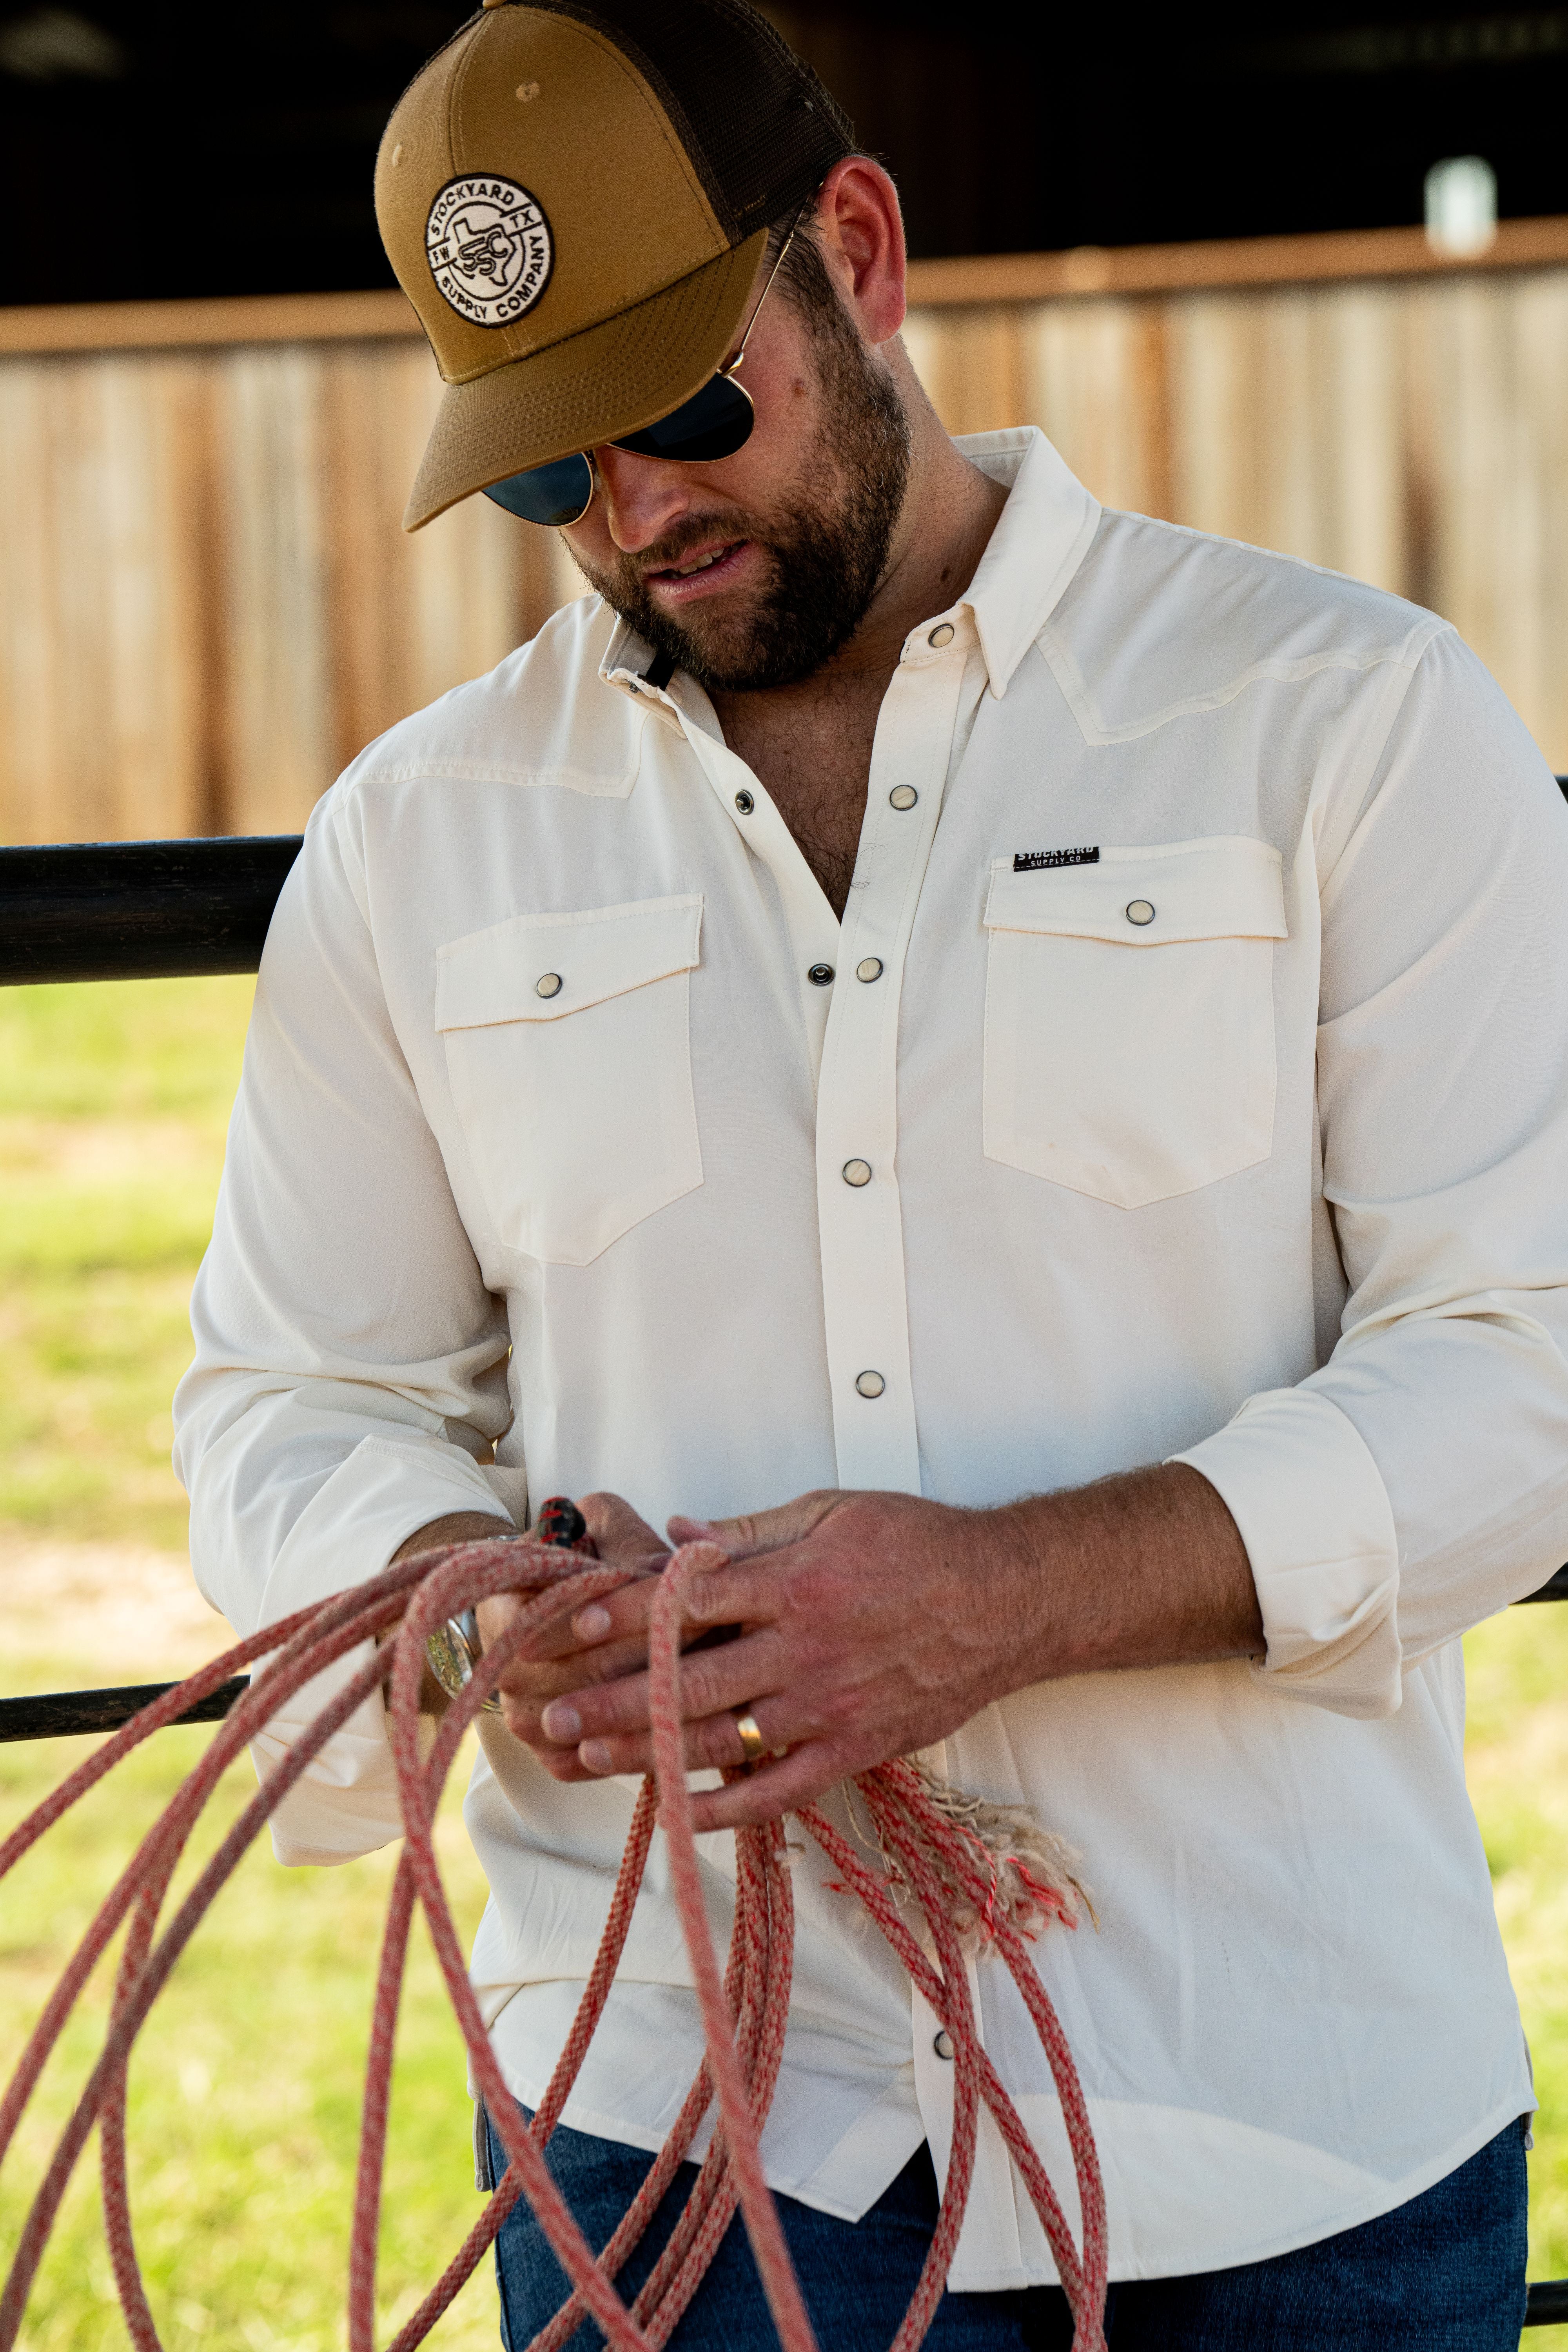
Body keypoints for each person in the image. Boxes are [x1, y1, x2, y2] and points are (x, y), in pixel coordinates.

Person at [173, 1, 1568, 2343]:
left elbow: (1531, 1364)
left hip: (1280, 2123)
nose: (637, 512)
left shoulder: (1346, 716)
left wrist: (1007, 1597)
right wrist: (448, 1584)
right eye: (548, 471)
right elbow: (286, 1402)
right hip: (679, 2130)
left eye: (688, 407)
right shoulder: (419, 841)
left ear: (858, 250)